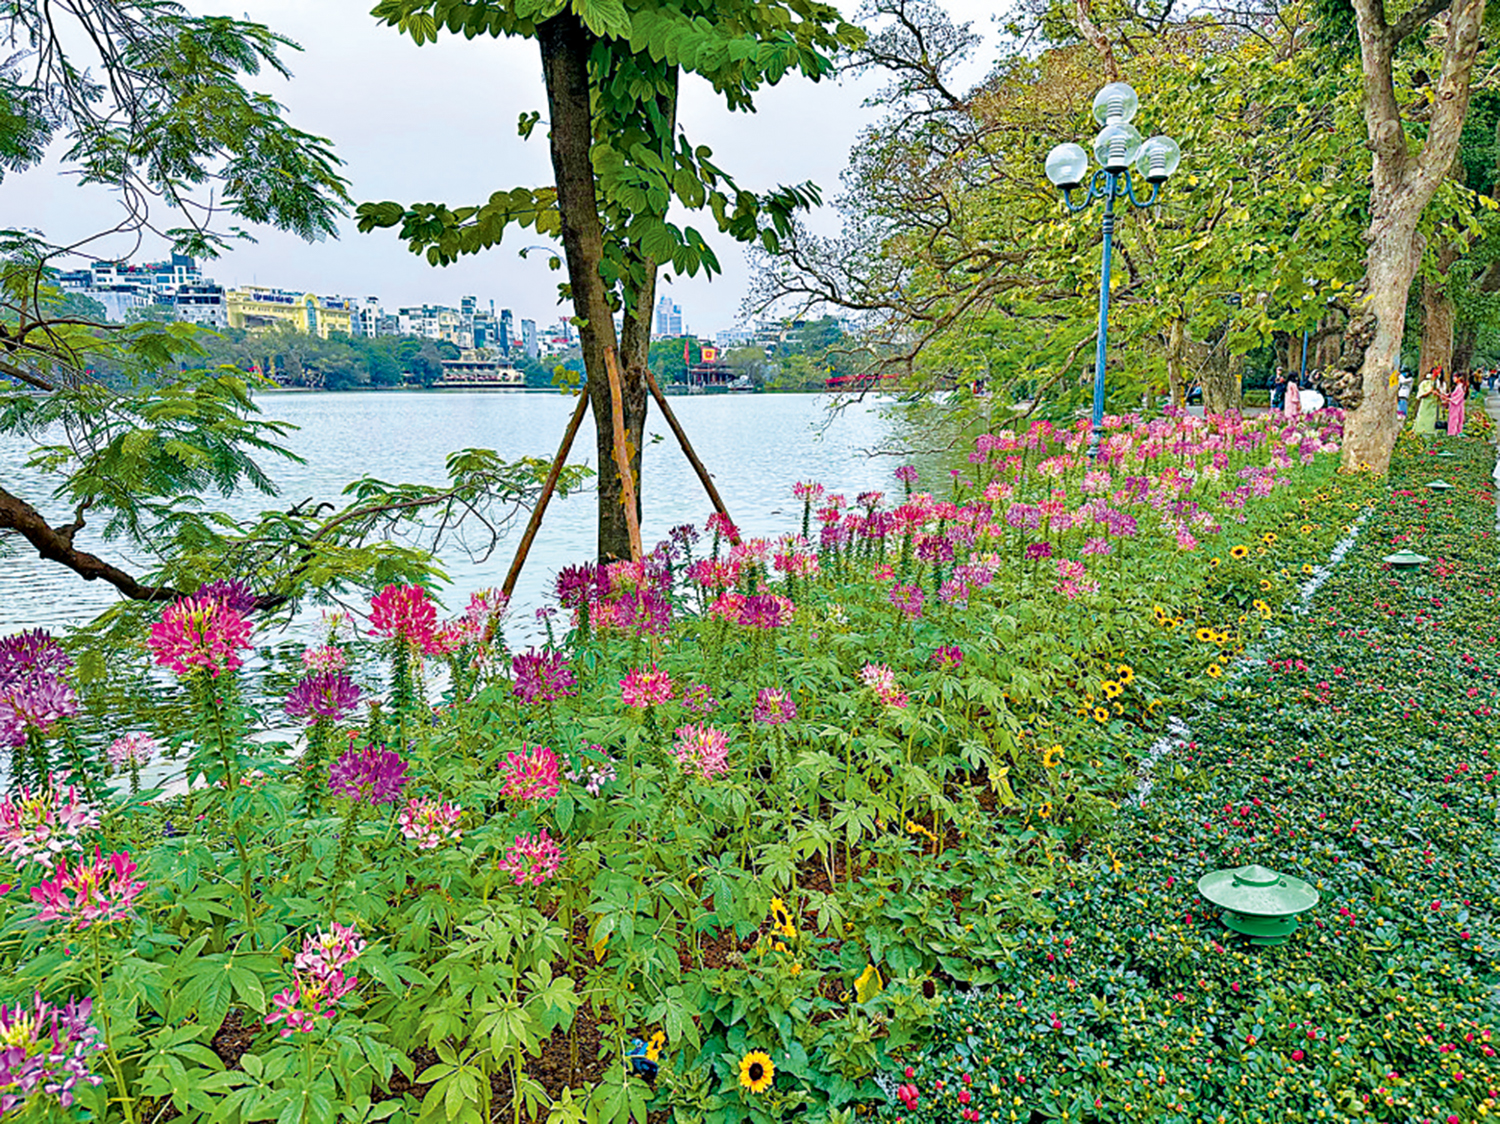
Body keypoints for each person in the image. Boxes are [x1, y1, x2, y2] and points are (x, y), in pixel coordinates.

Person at [1411, 366, 1440, 436]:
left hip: (1433, 406)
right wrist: (1430, 391)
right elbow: (1421, 395)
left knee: (1431, 422)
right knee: (1422, 419)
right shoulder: (1425, 383)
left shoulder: (1437, 383)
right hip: (1425, 406)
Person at [1447, 371, 1468, 436]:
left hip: (1456, 407)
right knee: (1455, 420)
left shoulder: (1460, 388)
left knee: (1454, 421)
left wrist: (1445, 398)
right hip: (1455, 407)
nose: (1453, 379)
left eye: (1455, 377)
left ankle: (1452, 435)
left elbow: (1455, 400)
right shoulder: (1459, 387)